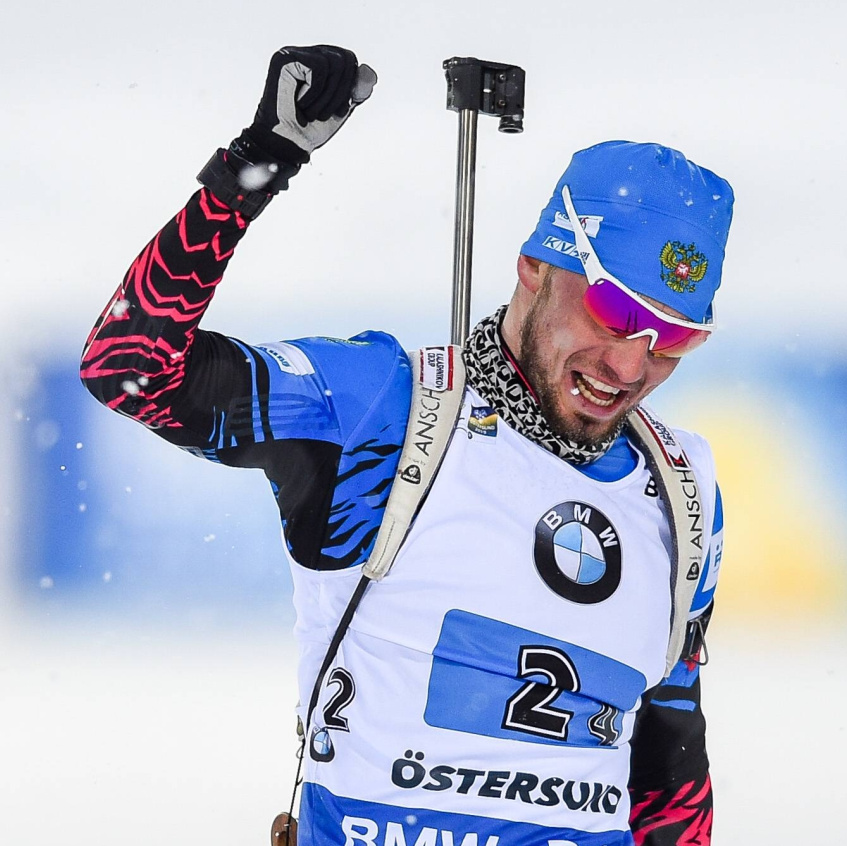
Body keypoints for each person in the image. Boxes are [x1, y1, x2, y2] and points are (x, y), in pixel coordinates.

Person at [80, 45, 730, 846]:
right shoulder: (386, 408)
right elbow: (128, 370)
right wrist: (255, 166)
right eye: (614, 313)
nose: (630, 367)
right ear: (535, 267)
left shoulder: (683, 485)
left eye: (675, 338)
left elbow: (668, 755)